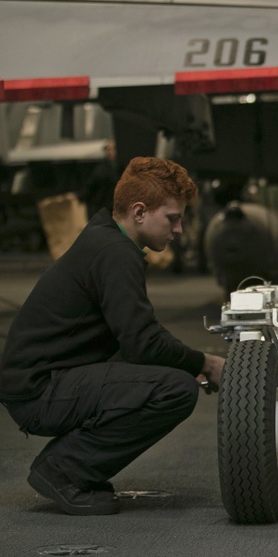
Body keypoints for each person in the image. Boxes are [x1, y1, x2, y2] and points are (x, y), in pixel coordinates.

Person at [0, 157, 226, 516]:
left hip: (40, 382)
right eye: (172, 218)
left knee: (170, 374)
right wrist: (205, 363)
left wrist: (183, 362)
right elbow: (143, 341)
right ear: (139, 212)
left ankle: (73, 465)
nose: (179, 229)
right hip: (39, 392)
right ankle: (63, 470)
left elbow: (134, 341)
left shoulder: (106, 237)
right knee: (176, 389)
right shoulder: (115, 253)